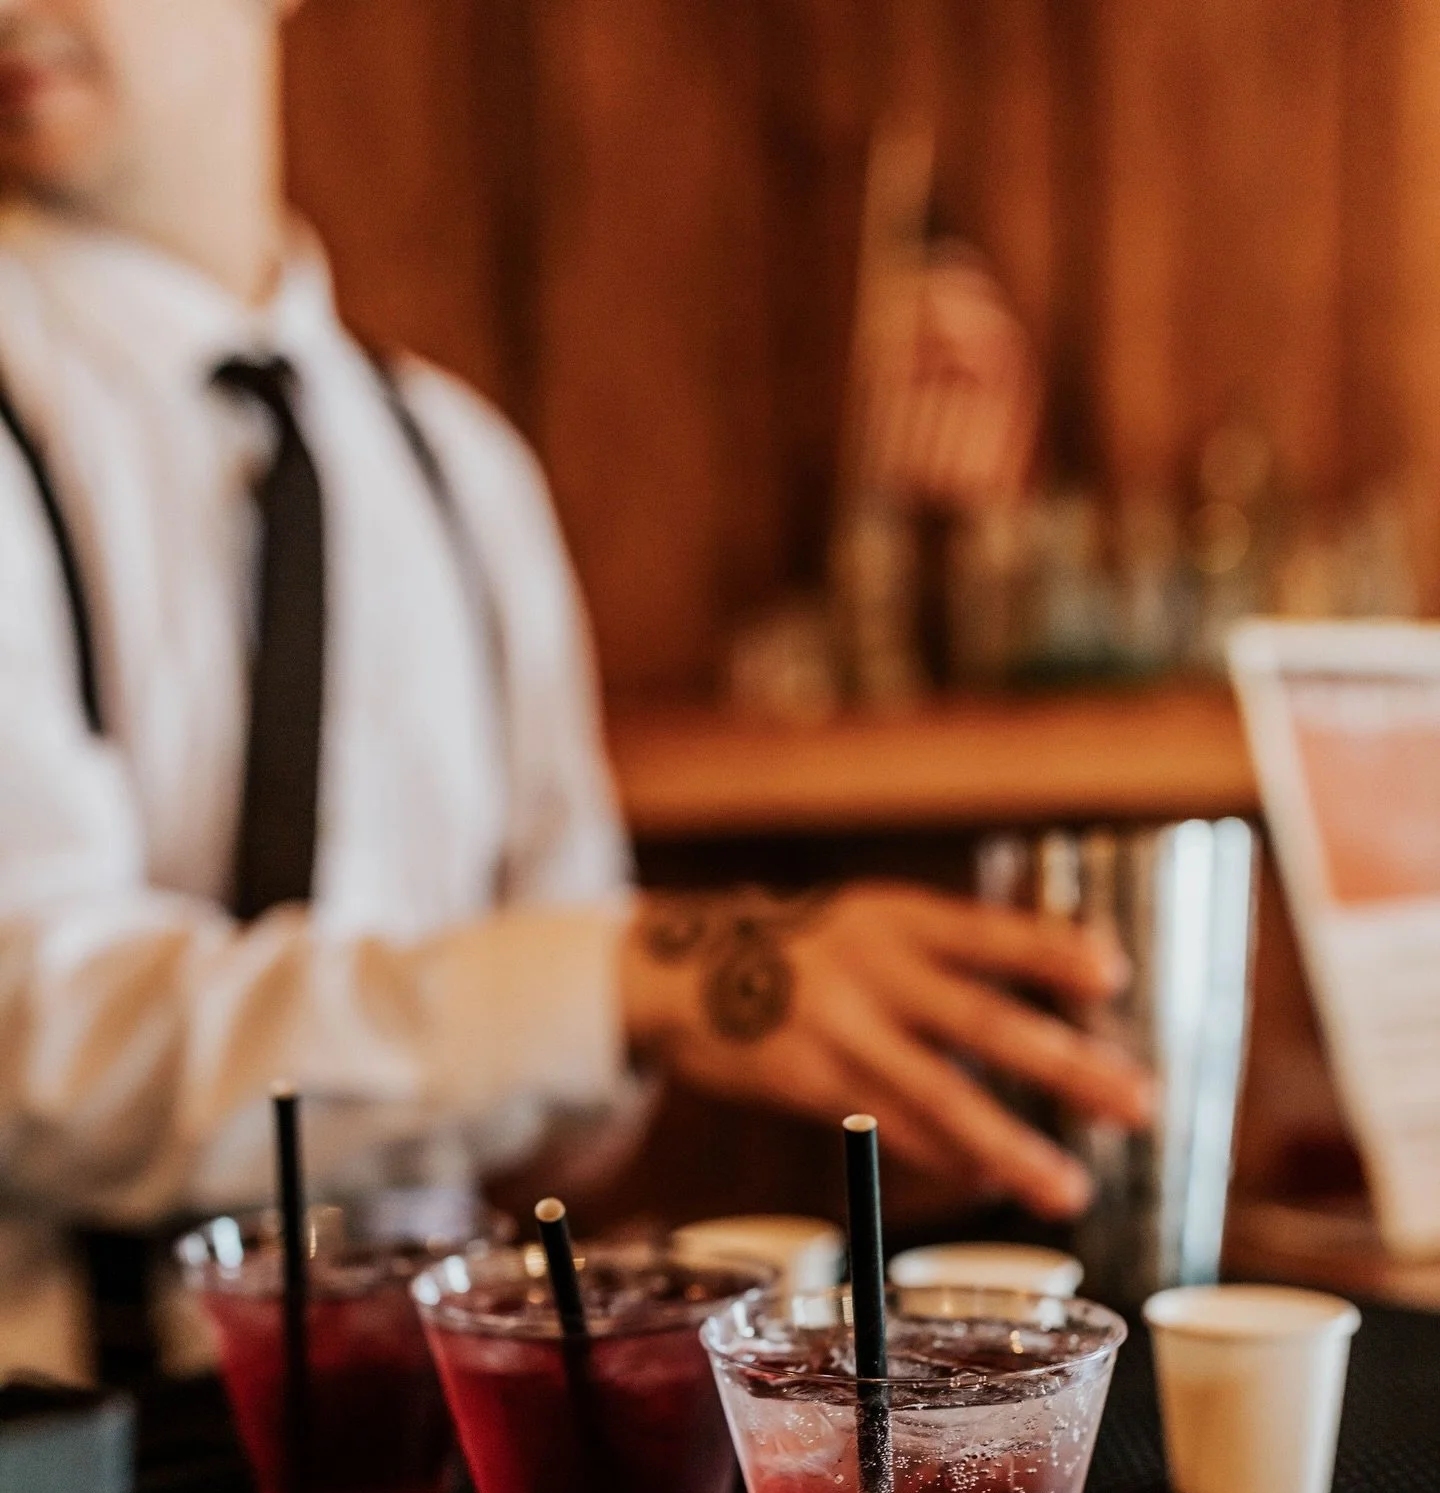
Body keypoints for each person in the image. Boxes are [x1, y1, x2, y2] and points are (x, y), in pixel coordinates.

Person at [0, 0, 1151, 1383]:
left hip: (451, 1438)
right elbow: (45, 1050)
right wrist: (640, 981)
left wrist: (682, 1029)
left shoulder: (455, 463)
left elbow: (575, 1094)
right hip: (75, 1465)